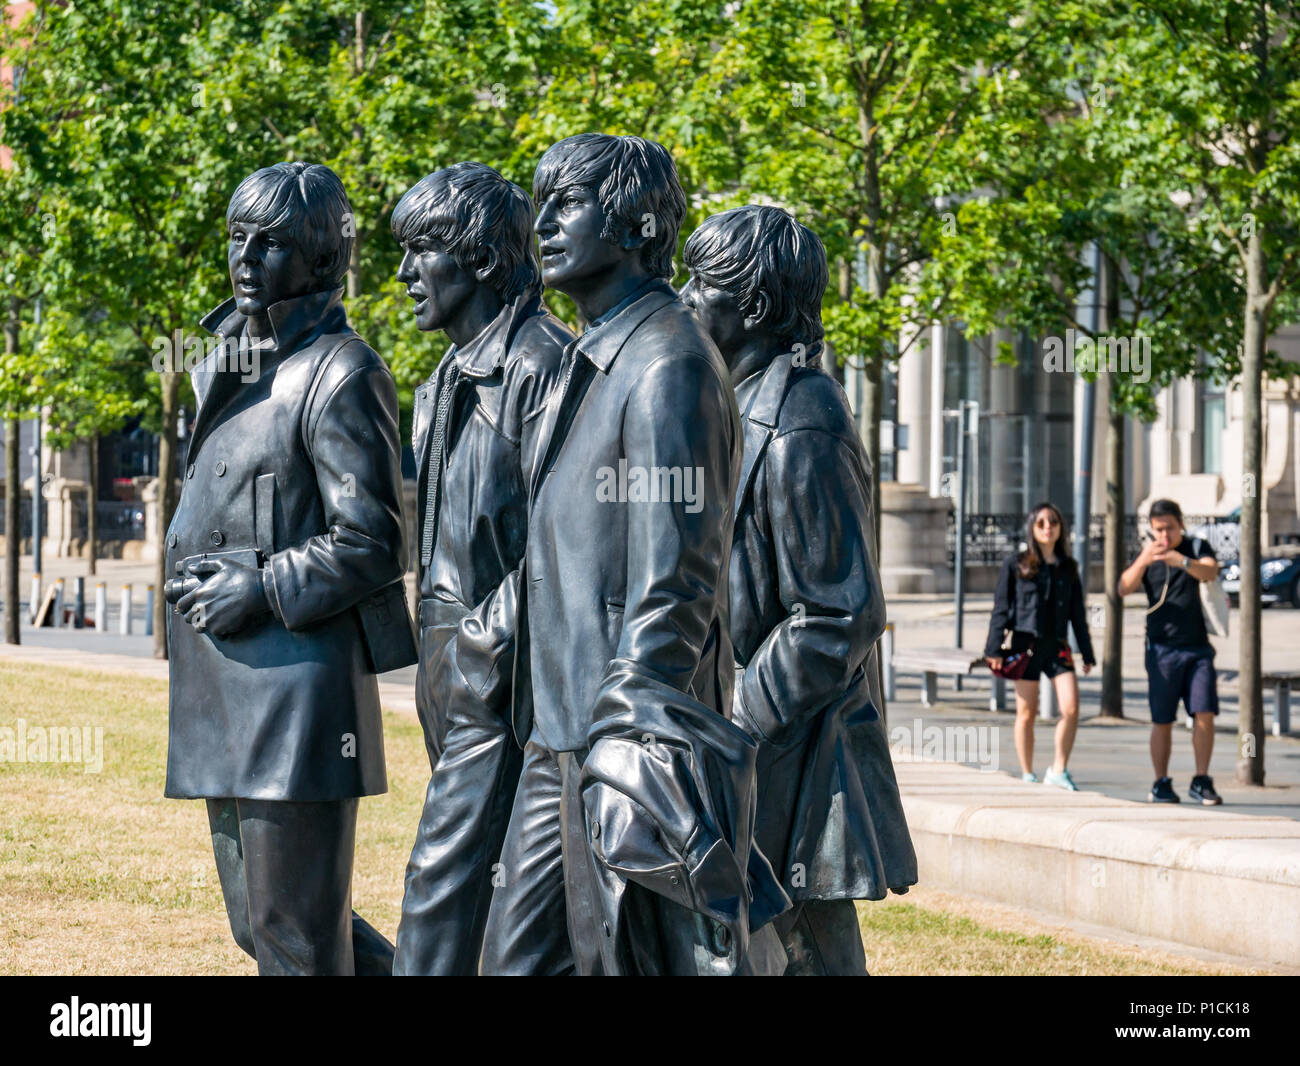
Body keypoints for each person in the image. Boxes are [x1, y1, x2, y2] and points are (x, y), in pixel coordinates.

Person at [477, 133, 780, 975]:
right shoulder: (597, 357)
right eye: (541, 202)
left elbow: (676, 578)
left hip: (615, 738)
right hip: (559, 733)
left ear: (642, 225)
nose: (542, 224)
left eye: (568, 204)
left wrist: (622, 728)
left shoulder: (668, 366)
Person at [165, 162, 410, 975]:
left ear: (319, 260)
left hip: (298, 706)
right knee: (266, 929)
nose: (245, 256)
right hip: (226, 694)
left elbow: (374, 539)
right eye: (238, 237)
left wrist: (261, 583)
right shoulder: (230, 358)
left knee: (294, 940)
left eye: (270, 242)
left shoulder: (342, 371)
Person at [680, 205, 917, 976]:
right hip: (757, 748)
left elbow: (840, 613)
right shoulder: (741, 404)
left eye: (701, 283)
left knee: (809, 950)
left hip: (797, 756)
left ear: (751, 307)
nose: (683, 296)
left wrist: (737, 713)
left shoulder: (801, 420)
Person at [389, 163, 572, 975]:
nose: (402, 275)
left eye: (423, 250)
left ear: (485, 260)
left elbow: (565, 540)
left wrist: (482, 646)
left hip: (504, 685)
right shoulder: (438, 385)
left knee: (438, 901)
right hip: (451, 682)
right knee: (482, 918)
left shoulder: (545, 367)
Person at [1118, 498, 1223, 805]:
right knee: (1162, 719)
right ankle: (1160, 782)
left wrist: (1182, 561)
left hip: (1198, 647)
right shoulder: (1149, 556)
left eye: (1170, 529)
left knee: (1205, 711)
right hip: (1162, 649)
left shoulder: (1195, 547)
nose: (1165, 536)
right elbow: (1123, 587)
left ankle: (1201, 779)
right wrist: (1144, 560)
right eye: (1159, 530)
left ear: (1181, 525)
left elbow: (1211, 572)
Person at [984, 502, 1095, 790]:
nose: (1048, 527)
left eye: (1054, 522)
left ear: (1061, 528)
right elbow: (1001, 608)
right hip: (1025, 645)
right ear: (1032, 528)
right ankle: (1027, 773)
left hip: (1057, 646)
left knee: (1071, 708)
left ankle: (1058, 769)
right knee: (1026, 712)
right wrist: (993, 649)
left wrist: (1087, 651)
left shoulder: (1069, 567)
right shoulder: (1016, 564)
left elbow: (1077, 613)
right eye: (1042, 523)